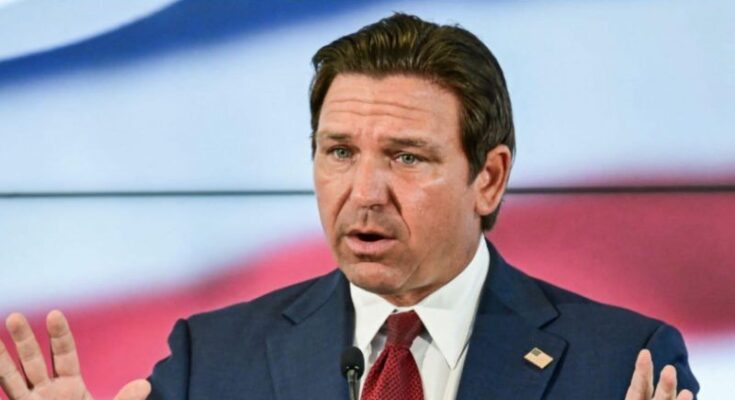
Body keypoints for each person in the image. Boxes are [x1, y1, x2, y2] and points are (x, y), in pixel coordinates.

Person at [0, 13, 698, 400]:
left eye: (406, 157)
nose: (363, 192)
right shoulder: (209, 362)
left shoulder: (621, 364)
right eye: (339, 151)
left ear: (488, 179)